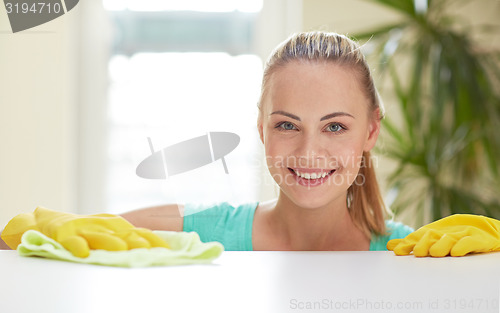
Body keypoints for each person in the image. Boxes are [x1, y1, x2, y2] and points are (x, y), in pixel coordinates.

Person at [120, 31, 414, 251]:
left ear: (371, 131)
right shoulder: (206, 232)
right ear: (262, 129)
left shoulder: (408, 253)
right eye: (288, 125)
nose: (309, 153)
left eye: (335, 126)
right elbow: (86, 229)